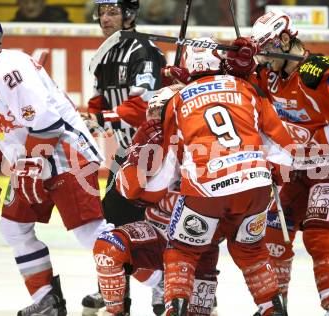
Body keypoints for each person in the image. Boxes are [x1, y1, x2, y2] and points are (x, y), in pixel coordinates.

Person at [0, 11, 112, 315]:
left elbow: (47, 123)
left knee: (89, 231)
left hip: (66, 153)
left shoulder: (10, 67)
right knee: (13, 228)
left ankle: (155, 280)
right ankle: (47, 300)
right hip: (33, 159)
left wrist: (28, 164)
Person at [247, 10, 329, 315]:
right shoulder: (270, 73)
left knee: (319, 234)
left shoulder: (316, 69)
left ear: (286, 39)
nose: (263, 61)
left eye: (266, 51)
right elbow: (240, 81)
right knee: (273, 230)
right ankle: (276, 307)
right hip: (301, 162)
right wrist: (233, 63)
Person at [160, 38, 295, 316]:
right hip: (254, 187)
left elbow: (168, 163)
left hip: (206, 190)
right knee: (252, 251)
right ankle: (273, 309)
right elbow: (286, 150)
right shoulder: (247, 88)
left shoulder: (177, 99)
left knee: (182, 250)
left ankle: (176, 309)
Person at [91, 85, 221, 316]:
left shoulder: (208, 146)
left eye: (159, 111)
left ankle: (174, 287)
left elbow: (150, 191)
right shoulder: (148, 143)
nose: (152, 118)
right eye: (151, 110)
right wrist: (138, 152)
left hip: (194, 245)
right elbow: (127, 192)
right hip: (157, 234)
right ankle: (118, 309)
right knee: (107, 246)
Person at [81, 0, 166, 314]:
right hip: (124, 153)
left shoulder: (143, 52)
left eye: (112, 11)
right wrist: (91, 118)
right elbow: (97, 99)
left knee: (154, 222)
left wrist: (102, 118)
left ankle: (163, 288)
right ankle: (115, 287)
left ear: (129, 15)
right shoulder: (105, 52)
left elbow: (142, 106)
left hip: (153, 152)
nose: (105, 17)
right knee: (115, 218)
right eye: (102, 12)